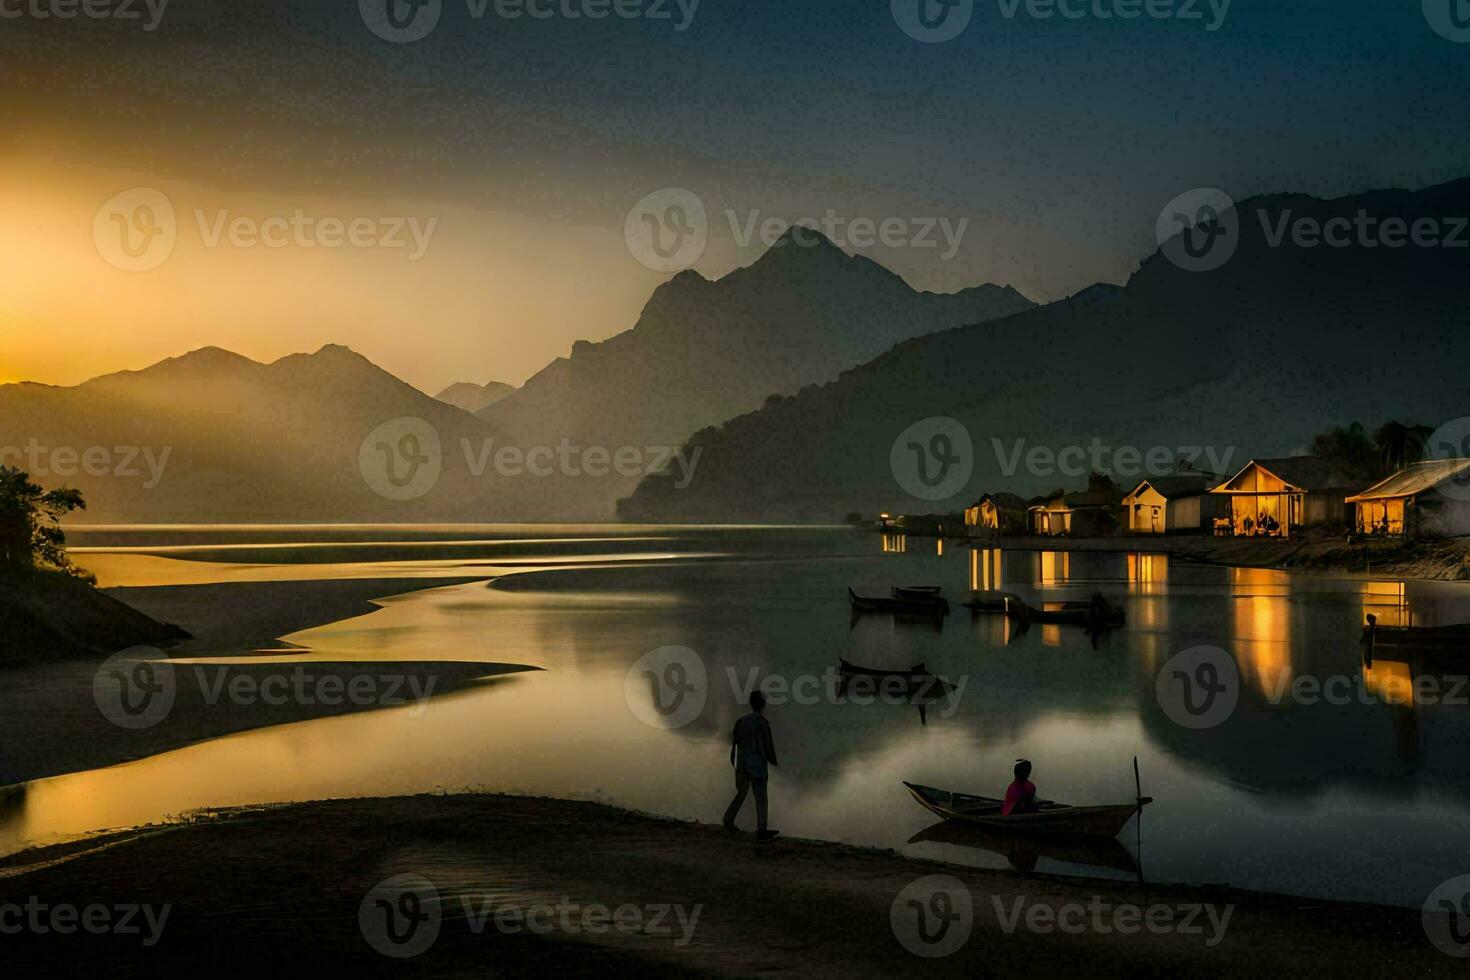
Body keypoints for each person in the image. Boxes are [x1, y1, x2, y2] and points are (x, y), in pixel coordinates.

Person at [723, 691, 779, 840]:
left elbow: (735, 743)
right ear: (761, 704)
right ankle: (761, 829)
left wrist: (734, 761)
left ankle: (728, 819)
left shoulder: (741, 721)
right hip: (756, 764)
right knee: (760, 797)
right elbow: (768, 745)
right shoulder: (762, 722)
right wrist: (774, 760)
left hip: (741, 762)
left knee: (741, 792)